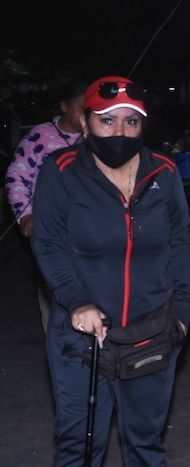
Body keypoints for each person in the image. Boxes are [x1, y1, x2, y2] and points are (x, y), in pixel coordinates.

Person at [31, 75, 190, 466]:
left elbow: (179, 242)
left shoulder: (164, 172)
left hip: (151, 332)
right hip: (81, 336)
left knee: (145, 445)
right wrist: (76, 301)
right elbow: (48, 244)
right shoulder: (62, 170)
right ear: (85, 121)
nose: (119, 131)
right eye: (107, 120)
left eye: (130, 121)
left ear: (143, 125)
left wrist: (184, 312)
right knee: (79, 446)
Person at [4, 81, 86, 332]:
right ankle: (58, 342)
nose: (86, 114)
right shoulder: (40, 136)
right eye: (80, 108)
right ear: (64, 106)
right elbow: (17, 176)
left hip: (87, 227)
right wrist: (25, 215)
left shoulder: (97, 137)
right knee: (54, 290)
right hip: (48, 226)